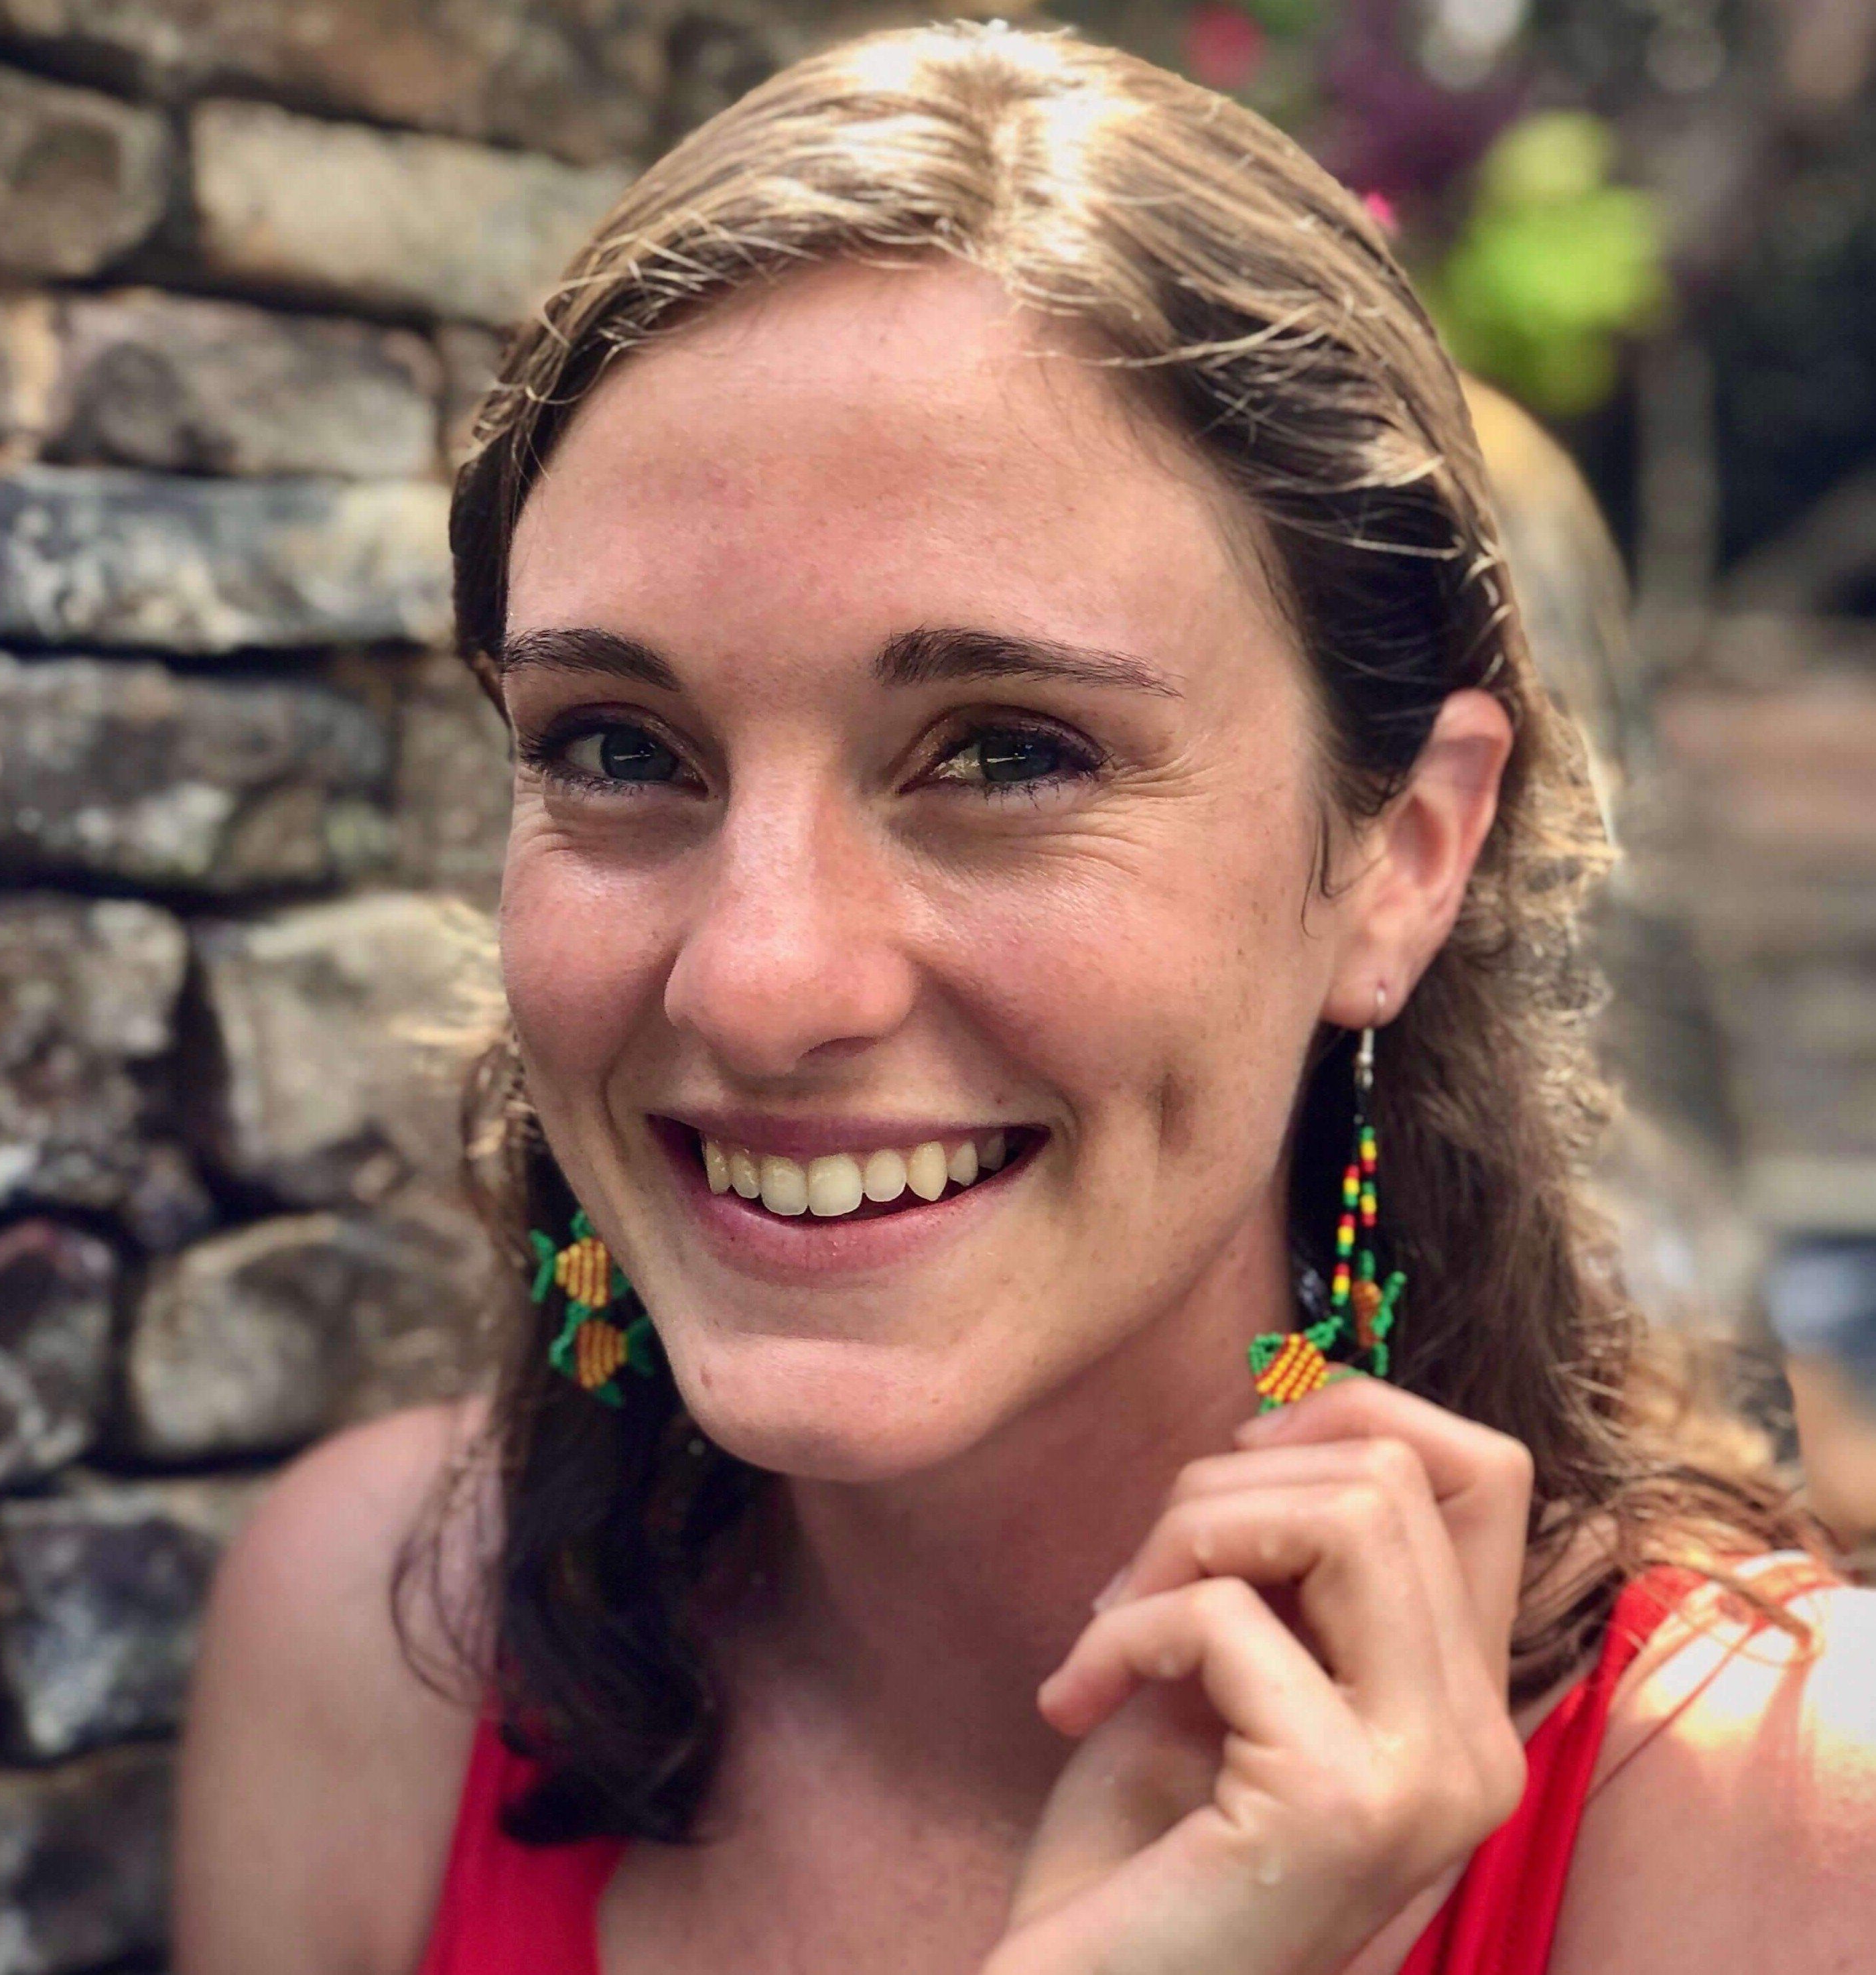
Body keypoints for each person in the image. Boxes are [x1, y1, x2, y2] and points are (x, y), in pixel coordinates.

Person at [172, 23, 1876, 1975]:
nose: (759, 976)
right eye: (619, 745)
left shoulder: (1785, 1831)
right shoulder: (375, 1648)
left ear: (1401, 851)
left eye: (1001, 754)